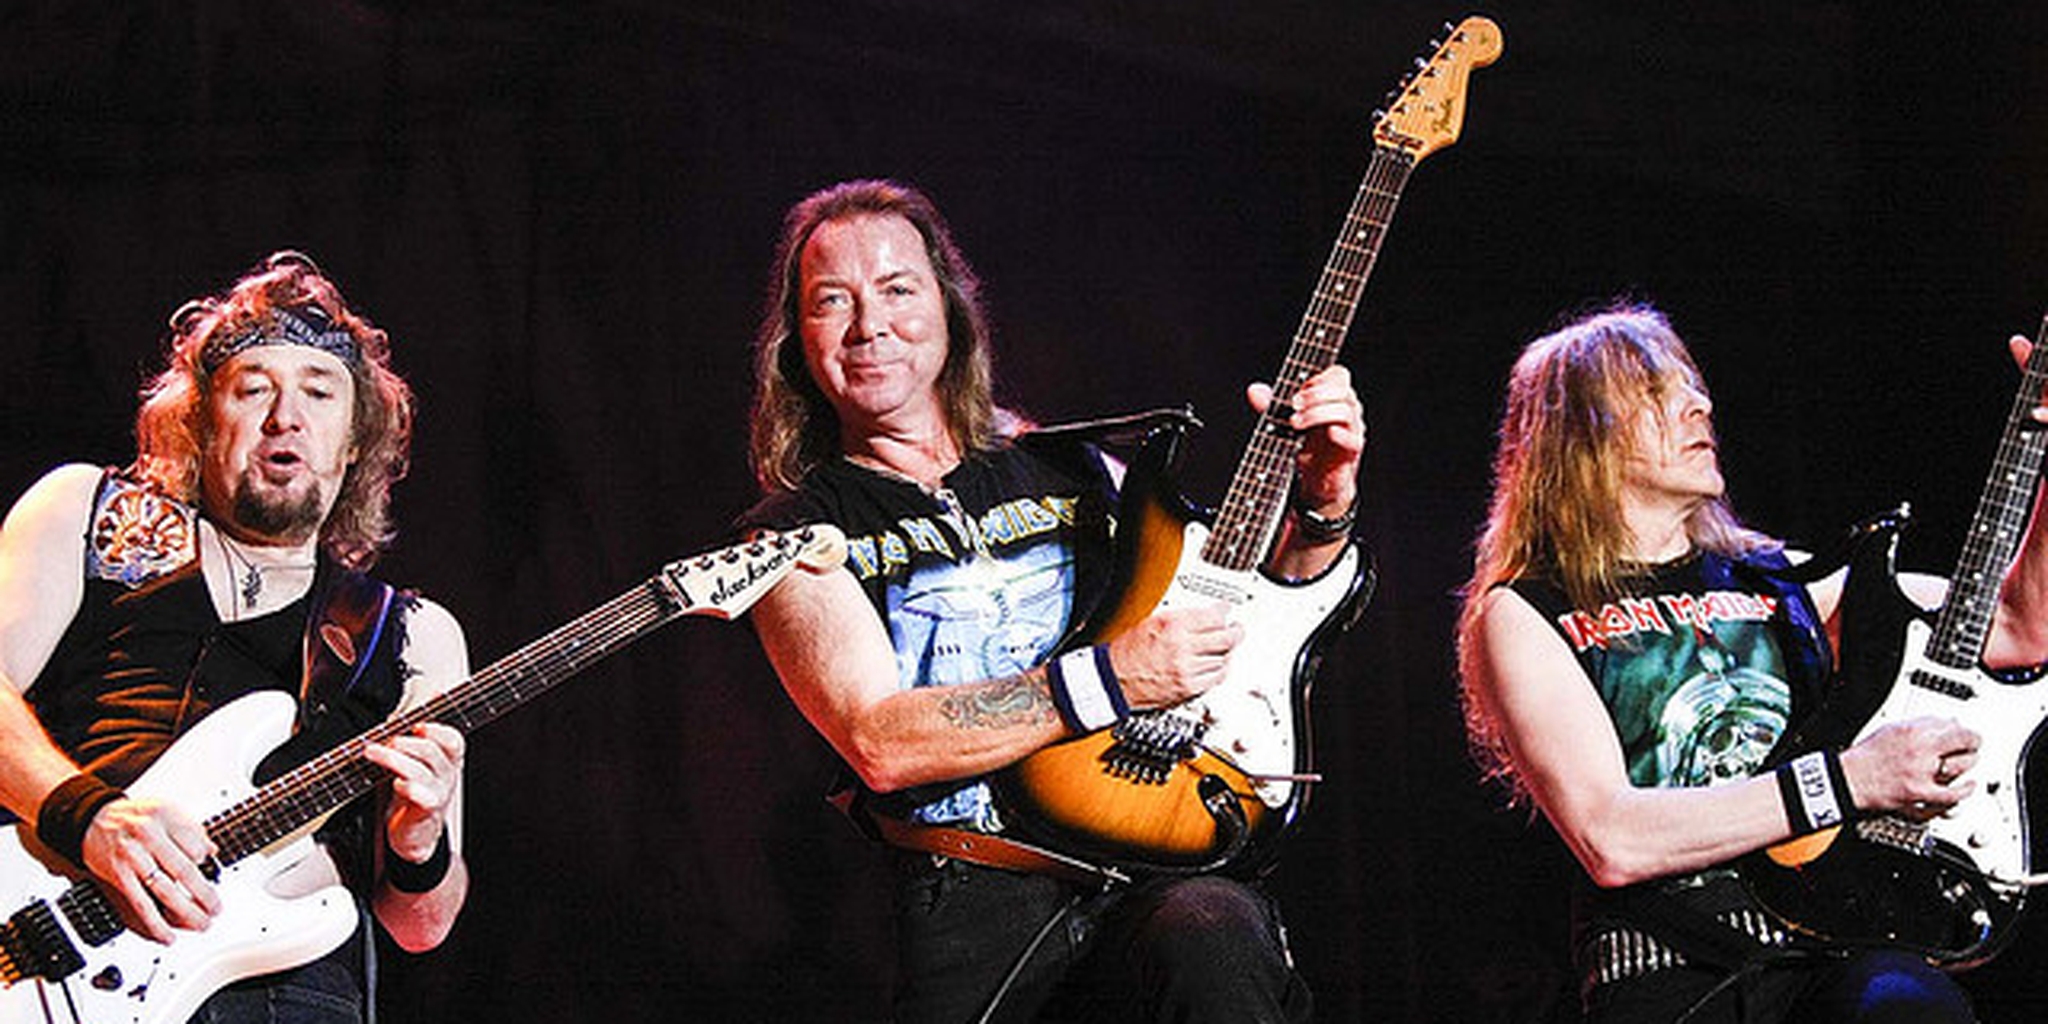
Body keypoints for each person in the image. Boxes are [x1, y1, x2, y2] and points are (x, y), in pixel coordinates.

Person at [740, 179, 1364, 1023]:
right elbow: (879, 741)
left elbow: (1244, 612)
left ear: (951, 308)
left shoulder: (1077, 470)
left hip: (1147, 868)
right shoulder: (792, 535)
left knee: (1212, 932)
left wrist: (1323, 499)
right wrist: (1111, 679)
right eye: (832, 301)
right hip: (968, 899)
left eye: (897, 289)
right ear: (797, 339)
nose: (869, 326)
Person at [1456, 303, 2048, 1022]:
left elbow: (2017, 629)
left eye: (1693, 386)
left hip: (1835, 950)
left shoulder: (1780, 577)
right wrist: (1851, 780)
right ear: (1580, 435)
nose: (1698, 404)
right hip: (1673, 972)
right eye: (1656, 392)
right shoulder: (1527, 610)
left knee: (1910, 1004)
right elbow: (1611, 836)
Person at [0, 251, 470, 1022]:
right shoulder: (85, 514)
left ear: (355, 440)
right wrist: (88, 816)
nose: (286, 417)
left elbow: (422, 925)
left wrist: (419, 844)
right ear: (198, 422)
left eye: (319, 393)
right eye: (253, 389)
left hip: (292, 994)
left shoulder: (412, 634)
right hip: (58, 955)